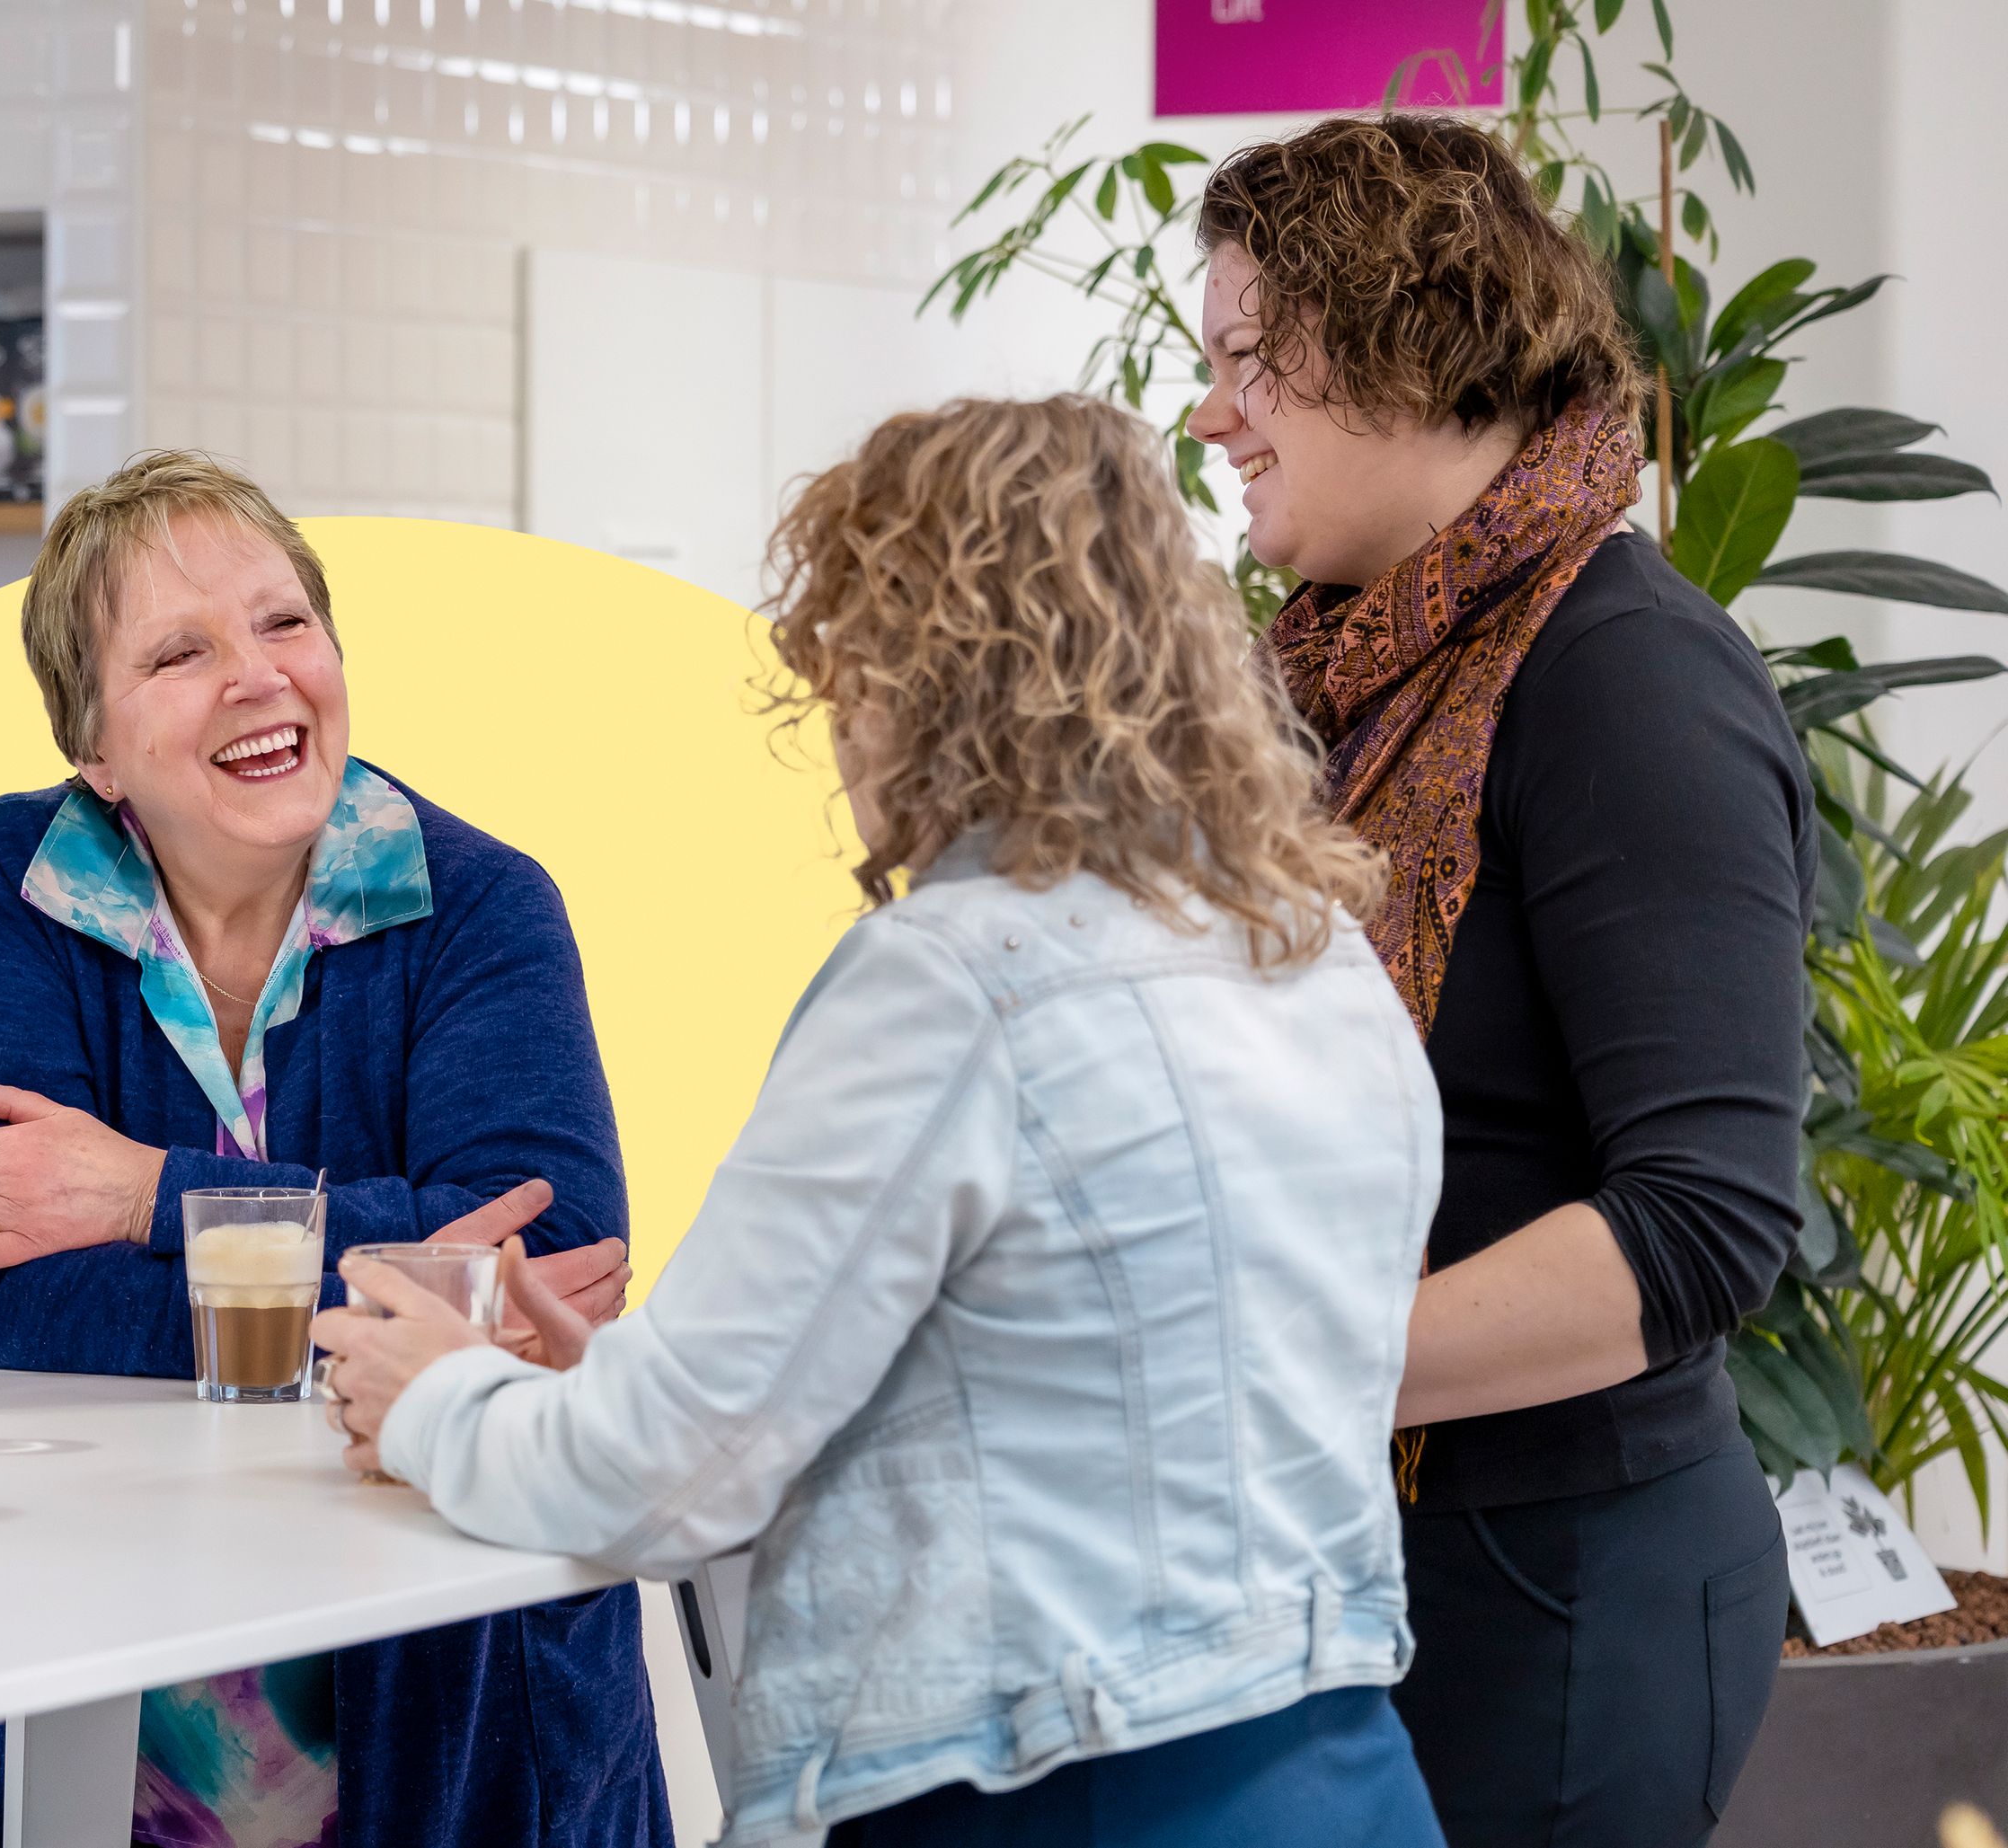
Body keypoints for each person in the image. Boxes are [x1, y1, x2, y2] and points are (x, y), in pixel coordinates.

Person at [314, 395, 1446, 1848]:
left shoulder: (959, 976)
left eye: (847, 660)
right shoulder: (1307, 947)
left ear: (924, 670)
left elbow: (655, 1482)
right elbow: (1084, 1380)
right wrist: (634, 1376)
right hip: (1337, 1774)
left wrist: (431, 1395)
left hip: (1054, 1797)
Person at [0, 451, 666, 1848]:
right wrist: (399, 1291)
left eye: (284, 623)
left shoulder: (486, 907)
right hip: (54, 1618)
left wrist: (141, 1191)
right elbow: (1, 1293)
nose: (258, 676)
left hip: (419, 1650)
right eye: (180, 653)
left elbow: (551, 1269)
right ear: (95, 745)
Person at [1187, 115, 1810, 1846]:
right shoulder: (1359, 668)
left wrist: (1279, 1364)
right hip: (1379, 1547)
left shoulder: (1628, 679)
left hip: (1561, 1591)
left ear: (1417, 343)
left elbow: (1702, 1221)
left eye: (1250, 363)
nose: (1209, 416)